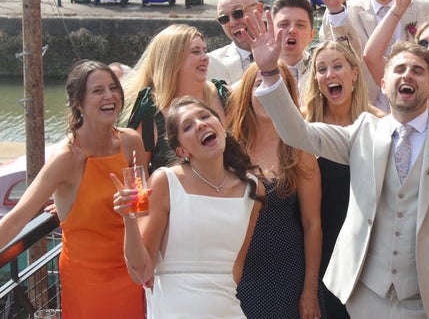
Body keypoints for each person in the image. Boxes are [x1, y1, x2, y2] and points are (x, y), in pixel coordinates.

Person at [247, 12, 429, 318]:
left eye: (417, 71)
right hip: (366, 297)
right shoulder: (362, 132)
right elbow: (298, 133)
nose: (407, 75)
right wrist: (269, 72)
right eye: (399, 69)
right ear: (384, 84)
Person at [0, 60, 146, 318]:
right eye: (98, 90)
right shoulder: (66, 157)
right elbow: (17, 218)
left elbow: (143, 205)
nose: (109, 95)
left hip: (135, 270)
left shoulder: (131, 142)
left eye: (113, 88)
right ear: (78, 103)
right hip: (89, 283)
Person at [112, 96, 264, 318]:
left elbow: (236, 270)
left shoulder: (252, 188)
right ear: (182, 151)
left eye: (205, 116)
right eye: (188, 126)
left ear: (221, 126)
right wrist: (129, 219)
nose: (200, 124)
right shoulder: (165, 182)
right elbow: (141, 273)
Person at [227, 63, 326, 319]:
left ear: (288, 96)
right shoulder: (228, 148)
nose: (266, 92)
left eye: (276, 87)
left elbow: (312, 224)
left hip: (289, 278)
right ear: (247, 92)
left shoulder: (298, 148)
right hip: (238, 277)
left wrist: (309, 290)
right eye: (259, 84)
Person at [302, 38, 384, 319]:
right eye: (322, 69)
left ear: (355, 73)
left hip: (368, 249)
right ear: (315, 79)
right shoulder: (304, 127)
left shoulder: (381, 124)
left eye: (337, 66)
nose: (330, 75)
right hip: (319, 245)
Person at [124, 24, 228, 173]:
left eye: (205, 51)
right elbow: (140, 173)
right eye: (196, 51)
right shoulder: (149, 112)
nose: (205, 57)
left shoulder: (223, 95)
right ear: (172, 59)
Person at [207, 0, 265, 85]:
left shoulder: (287, 54)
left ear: (259, 10)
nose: (232, 23)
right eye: (224, 19)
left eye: (238, 13)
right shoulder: (210, 64)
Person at [272, 0, 316, 94]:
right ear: (271, 31)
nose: (292, 30)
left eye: (300, 25)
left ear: (311, 35)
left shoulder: (321, 72)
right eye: (284, 24)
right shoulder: (258, 74)